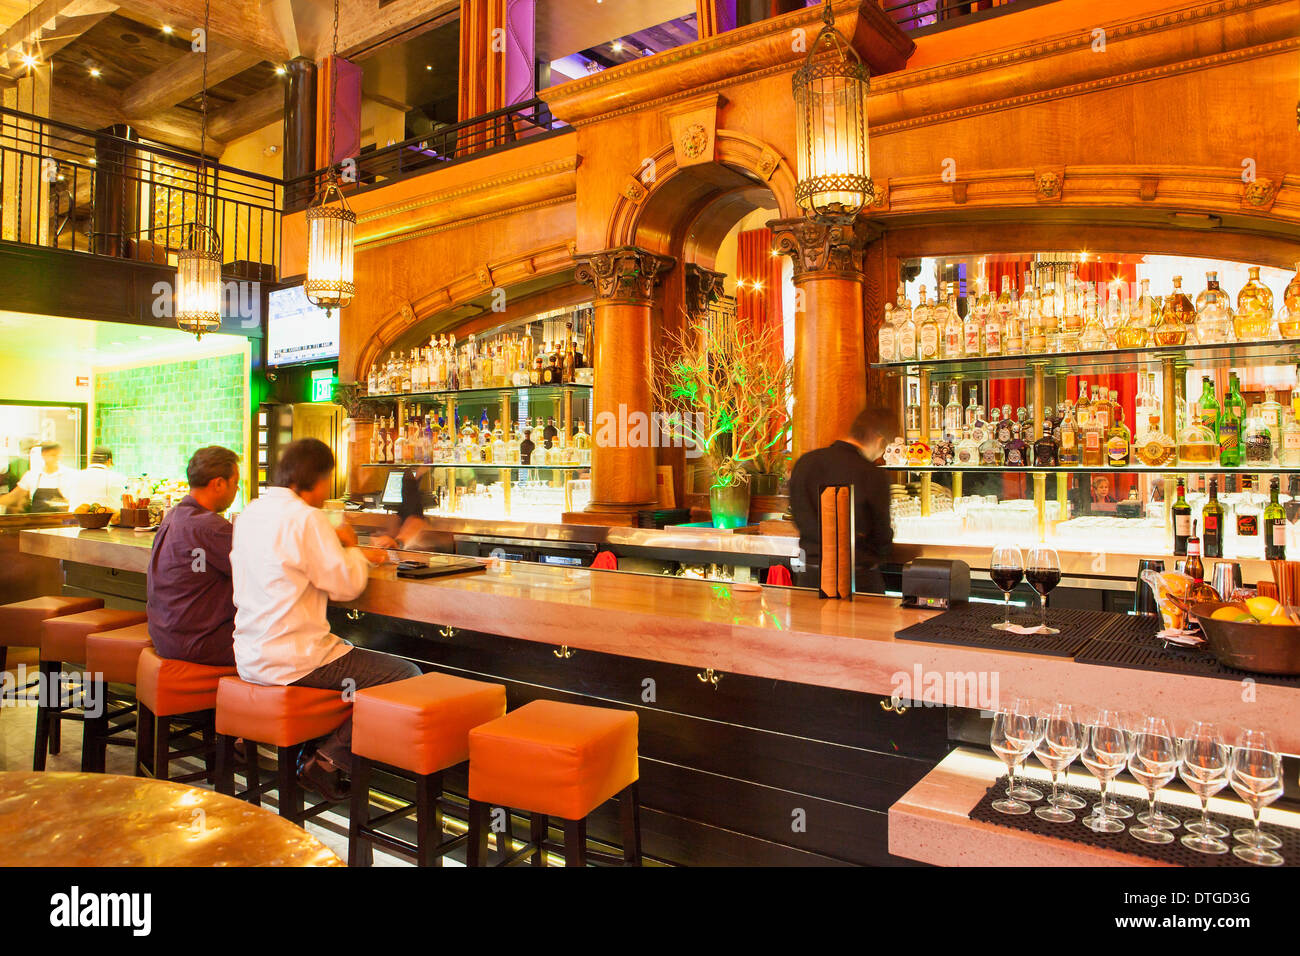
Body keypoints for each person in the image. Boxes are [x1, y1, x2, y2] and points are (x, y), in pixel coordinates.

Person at [231, 438, 419, 801]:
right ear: (317, 479)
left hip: (249, 657)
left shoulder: (251, 513)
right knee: (405, 676)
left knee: (355, 662)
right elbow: (344, 586)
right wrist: (350, 547)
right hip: (294, 661)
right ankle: (327, 761)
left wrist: (342, 548)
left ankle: (301, 750)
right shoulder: (306, 518)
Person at [147, 446, 242, 666]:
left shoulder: (174, 516)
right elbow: (263, 572)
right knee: (288, 653)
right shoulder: (210, 528)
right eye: (235, 482)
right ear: (218, 483)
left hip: (167, 637)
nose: (237, 489)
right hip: (202, 645)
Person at [788, 407, 895, 594]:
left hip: (809, 576)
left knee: (810, 624)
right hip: (858, 581)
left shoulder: (805, 463)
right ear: (880, 441)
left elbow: (797, 515)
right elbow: (882, 536)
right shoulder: (872, 474)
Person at [0, 442, 70, 512]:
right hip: (37, 520)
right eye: (47, 455)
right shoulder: (31, 475)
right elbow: (12, 497)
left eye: (53, 455)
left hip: (61, 520)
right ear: (42, 455)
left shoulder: (69, 475)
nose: (50, 458)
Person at [66, 446, 129, 511]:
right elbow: (128, 501)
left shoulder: (73, 476)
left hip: (74, 519)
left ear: (91, 460)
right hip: (105, 519)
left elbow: (68, 498)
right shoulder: (119, 478)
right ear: (109, 461)